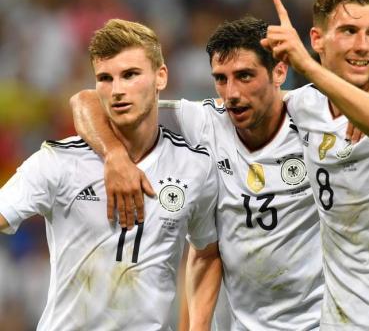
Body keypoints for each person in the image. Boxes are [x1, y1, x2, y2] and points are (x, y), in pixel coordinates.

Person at [71, 17, 324, 330]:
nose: (231, 93)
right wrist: (114, 154)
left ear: (280, 72)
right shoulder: (203, 122)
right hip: (242, 324)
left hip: (324, 320)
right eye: (221, 78)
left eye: (245, 76)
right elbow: (86, 100)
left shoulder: (315, 116)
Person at [0, 19, 221, 330]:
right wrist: (114, 155)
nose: (117, 90)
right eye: (105, 78)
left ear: (161, 77)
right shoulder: (59, 161)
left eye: (130, 75)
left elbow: (208, 253)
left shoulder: (195, 167)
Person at [262, 0, 369, 329]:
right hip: (339, 320)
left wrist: (307, 67)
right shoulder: (303, 106)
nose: (364, 45)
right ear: (317, 39)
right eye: (349, 31)